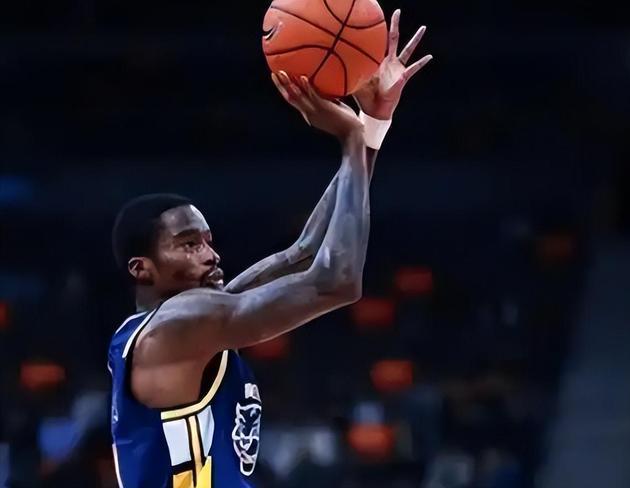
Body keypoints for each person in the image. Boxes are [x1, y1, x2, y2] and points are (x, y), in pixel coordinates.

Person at [107, 10, 431, 487]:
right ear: (142, 269)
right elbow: (337, 282)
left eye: (209, 241)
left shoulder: (192, 321)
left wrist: (371, 125)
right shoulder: (176, 327)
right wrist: (349, 138)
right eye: (188, 245)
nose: (211, 255)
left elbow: (305, 252)